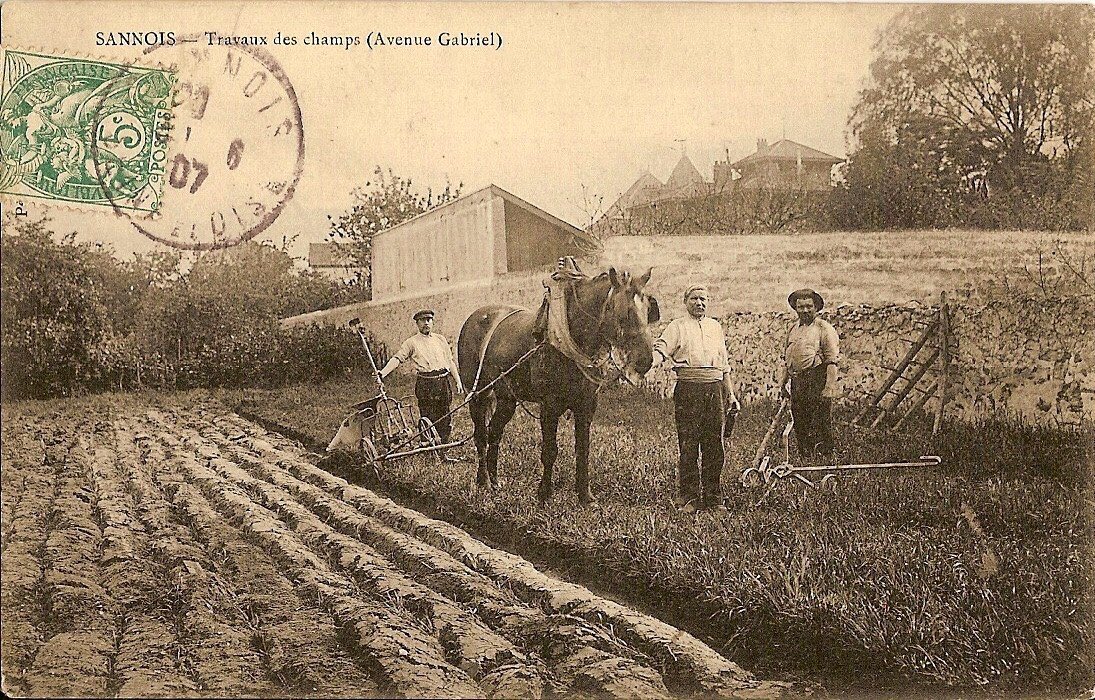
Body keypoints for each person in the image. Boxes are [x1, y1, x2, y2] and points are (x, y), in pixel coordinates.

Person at [651, 284, 740, 514]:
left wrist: (730, 395)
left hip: (715, 389)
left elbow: (724, 364)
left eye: (703, 299)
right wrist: (649, 362)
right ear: (685, 301)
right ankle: (689, 498)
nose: (699, 303)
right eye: (694, 299)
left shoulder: (715, 327)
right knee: (689, 445)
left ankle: (714, 497)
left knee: (715, 446)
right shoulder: (677, 327)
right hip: (689, 389)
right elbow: (661, 348)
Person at [378, 309, 464, 459]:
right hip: (426, 383)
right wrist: (383, 373)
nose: (426, 323)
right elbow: (398, 358)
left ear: (432, 322)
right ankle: (428, 449)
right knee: (428, 416)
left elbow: (450, 362)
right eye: (422, 320)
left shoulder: (440, 339)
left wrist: (457, 381)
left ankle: (442, 450)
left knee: (445, 416)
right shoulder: (412, 342)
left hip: (443, 381)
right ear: (417, 323)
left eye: (429, 320)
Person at [779, 288, 840, 464]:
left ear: (816, 307)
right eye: (801, 307)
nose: (805, 311)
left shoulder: (823, 328)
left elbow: (831, 362)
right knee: (800, 422)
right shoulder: (793, 328)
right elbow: (787, 358)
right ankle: (806, 459)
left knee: (819, 423)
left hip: (816, 379)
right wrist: (784, 384)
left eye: (809, 306)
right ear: (795, 308)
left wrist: (829, 388)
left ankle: (825, 460)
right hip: (798, 381)